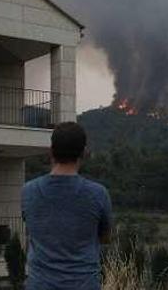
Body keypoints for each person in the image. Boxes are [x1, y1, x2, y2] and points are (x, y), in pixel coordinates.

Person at [21, 121, 112, 290]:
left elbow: (32, 229)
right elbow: (105, 237)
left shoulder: (28, 192)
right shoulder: (98, 194)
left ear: (51, 151)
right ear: (84, 153)